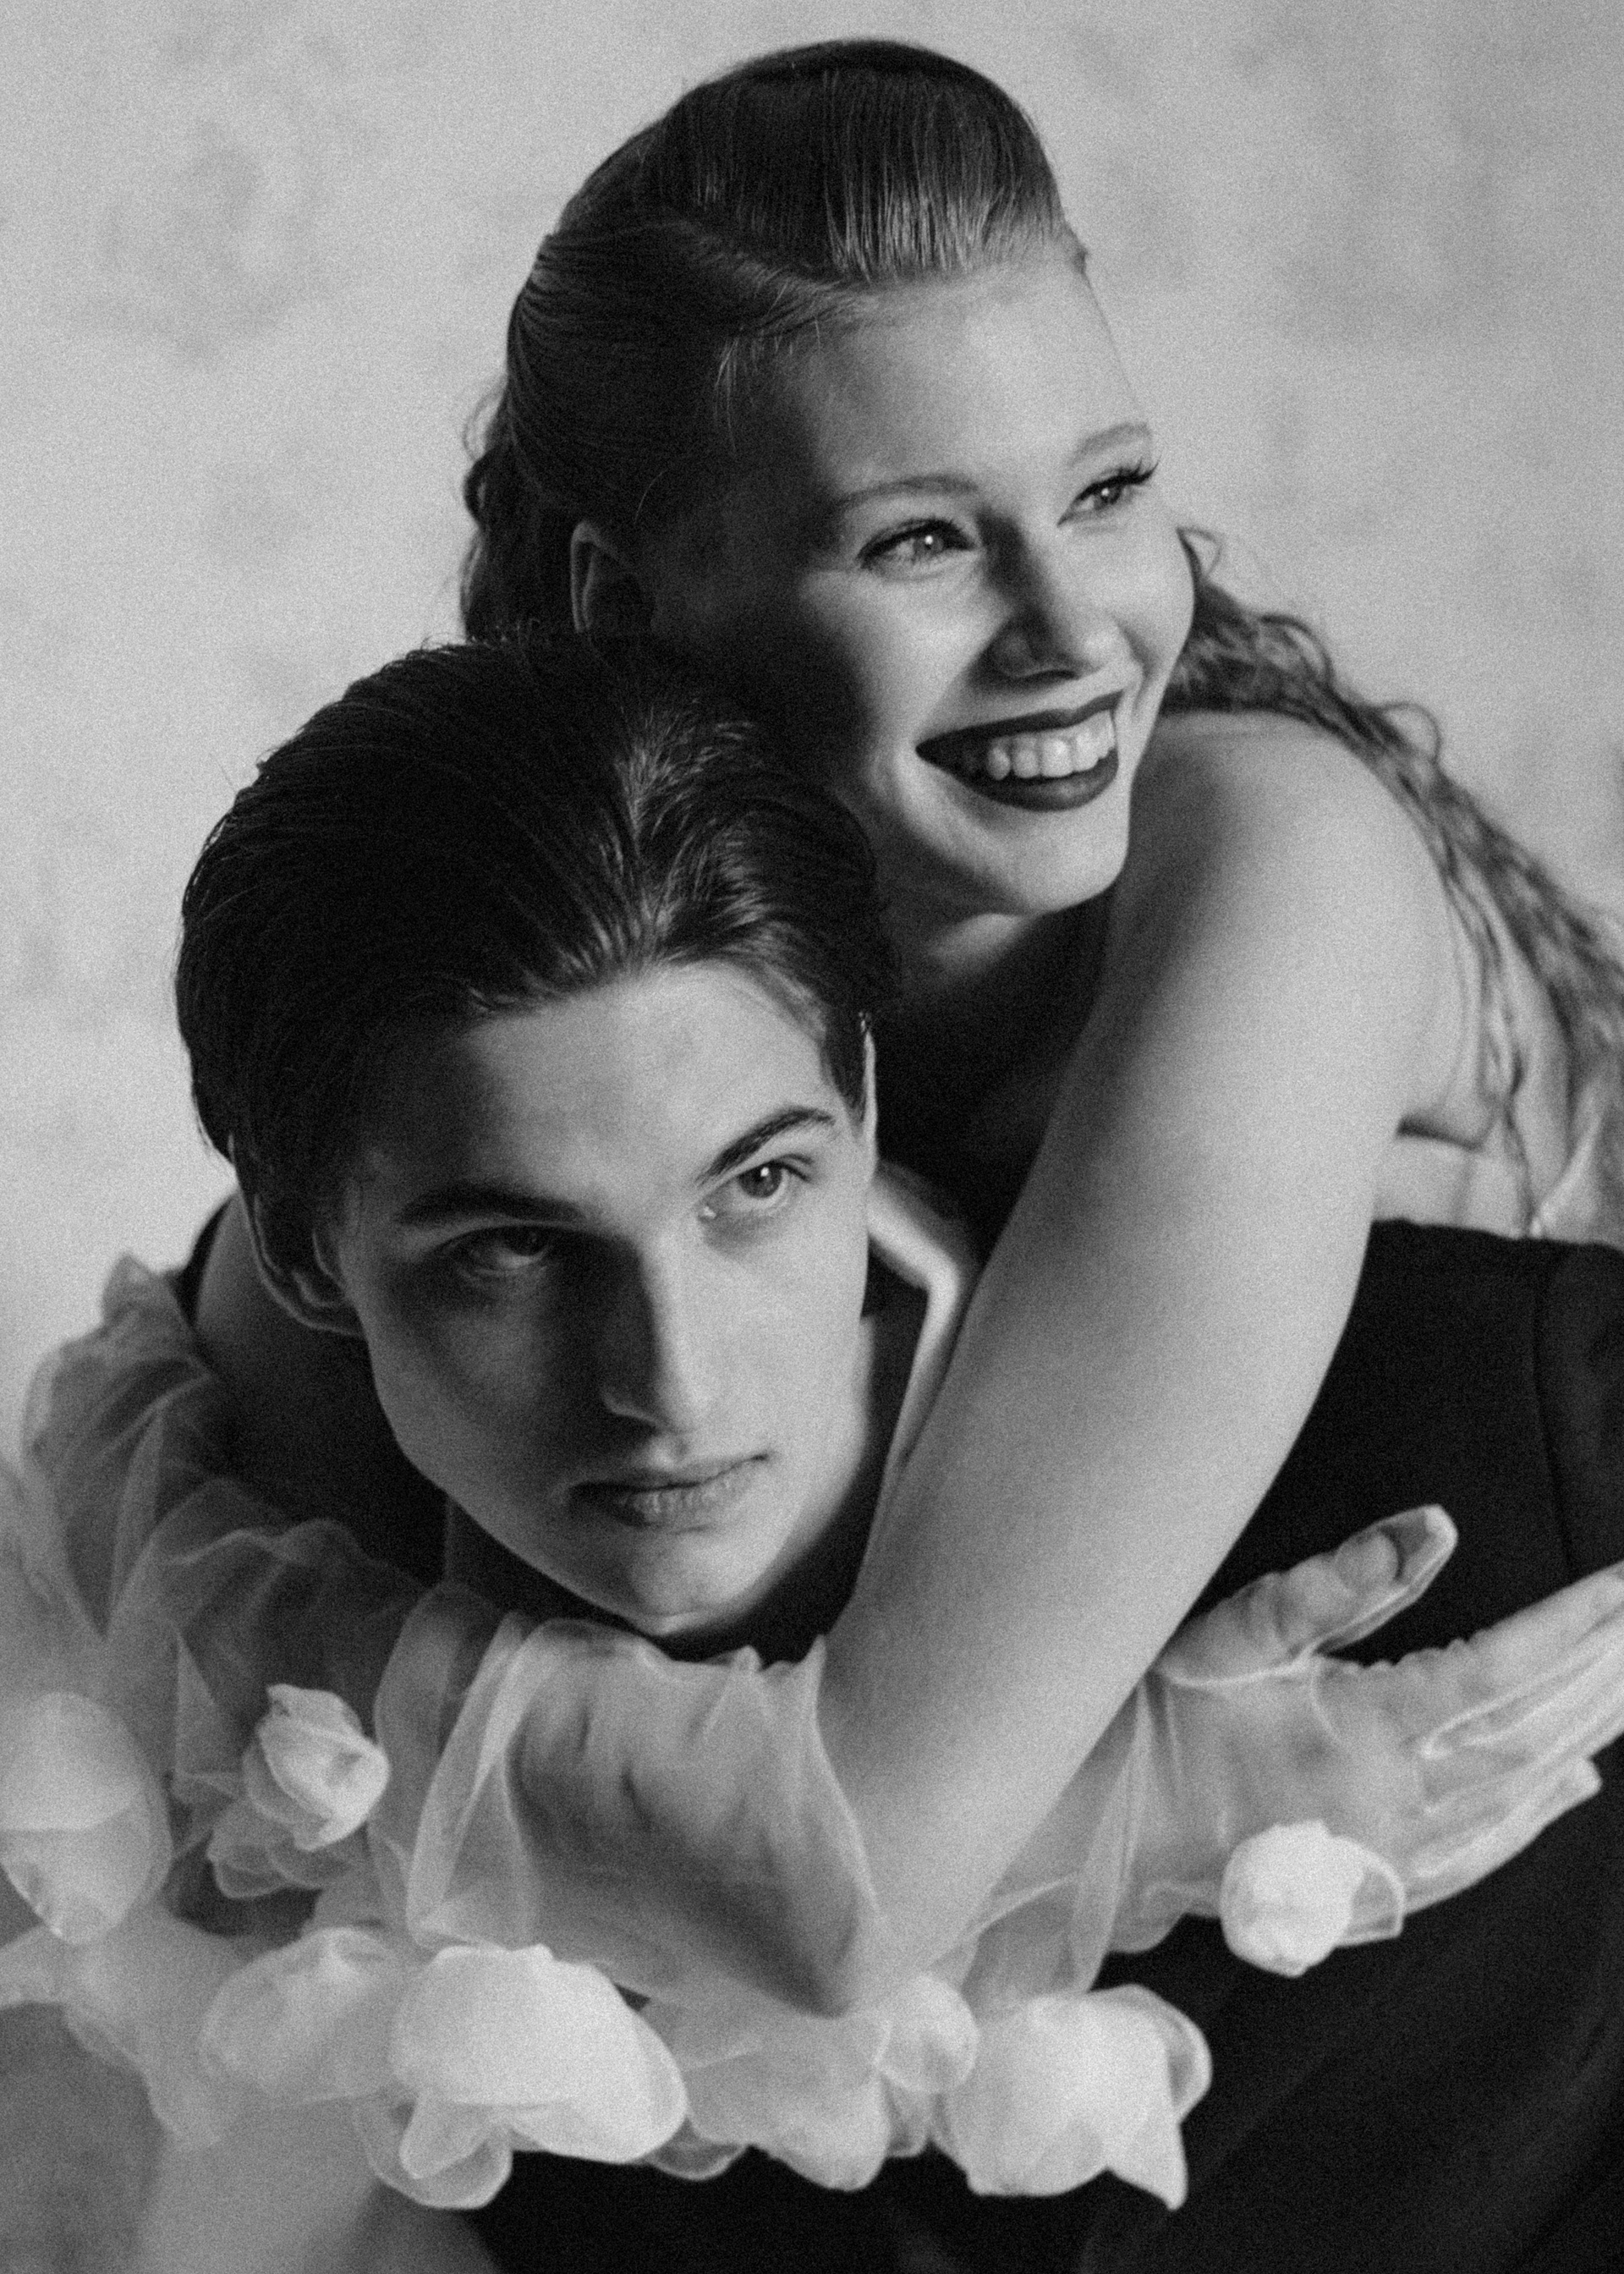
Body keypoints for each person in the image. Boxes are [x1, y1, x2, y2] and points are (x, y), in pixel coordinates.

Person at [35, 36, 1624, 2269]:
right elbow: (216, 1467)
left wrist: (307, 1677)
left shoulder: (1273, 868)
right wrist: (1145, 1794)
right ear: (623, 602)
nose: (1077, 630)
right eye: (924, 541)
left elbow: (847, 1869)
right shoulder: (604, 924)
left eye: (1108, 490)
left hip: (1480, 2066)